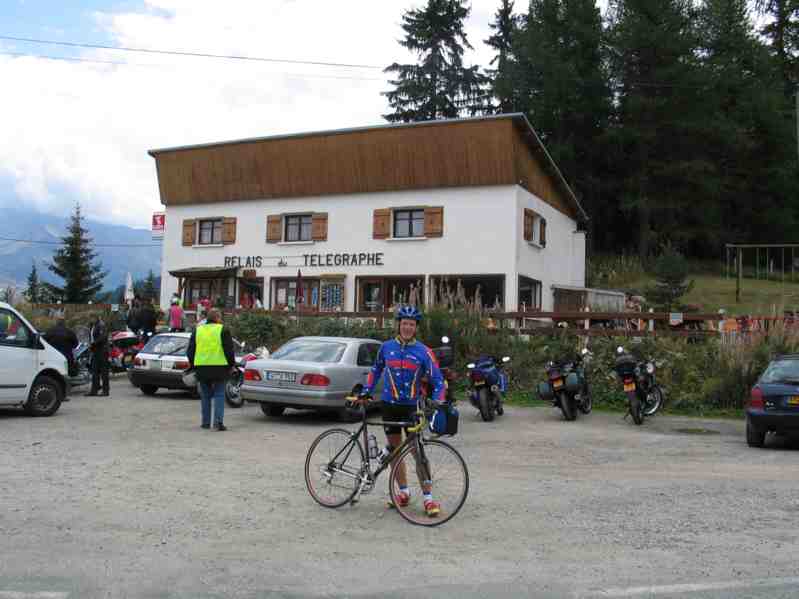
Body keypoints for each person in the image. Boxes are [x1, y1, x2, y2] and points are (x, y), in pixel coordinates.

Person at [358, 305, 445, 517]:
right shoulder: (386, 347)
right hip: (389, 406)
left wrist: (435, 401)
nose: (407, 327)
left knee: (418, 453)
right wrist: (367, 390)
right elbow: (376, 369)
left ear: (416, 328)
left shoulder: (424, 352)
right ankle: (403, 493)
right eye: (404, 323)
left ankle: (428, 499)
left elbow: (439, 381)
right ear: (398, 325)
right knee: (396, 452)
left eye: (411, 324)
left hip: (411, 408)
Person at [187, 308, 235, 431]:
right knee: (219, 394)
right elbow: (229, 350)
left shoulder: (198, 330)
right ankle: (218, 423)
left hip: (201, 368)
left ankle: (205, 422)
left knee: (205, 395)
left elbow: (190, 351)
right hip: (220, 368)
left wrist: (193, 365)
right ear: (218, 318)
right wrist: (231, 365)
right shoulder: (223, 330)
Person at [85, 315, 110, 397]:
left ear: (96, 317)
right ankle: (94, 390)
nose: (91, 319)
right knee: (94, 371)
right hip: (95, 351)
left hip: (102, 351)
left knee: (103, 372)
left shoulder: (101, 325)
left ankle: (105, 391)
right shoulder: (93, 326)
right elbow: (91, 337)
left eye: (92, 318)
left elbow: (103, 337)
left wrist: (93, 343)